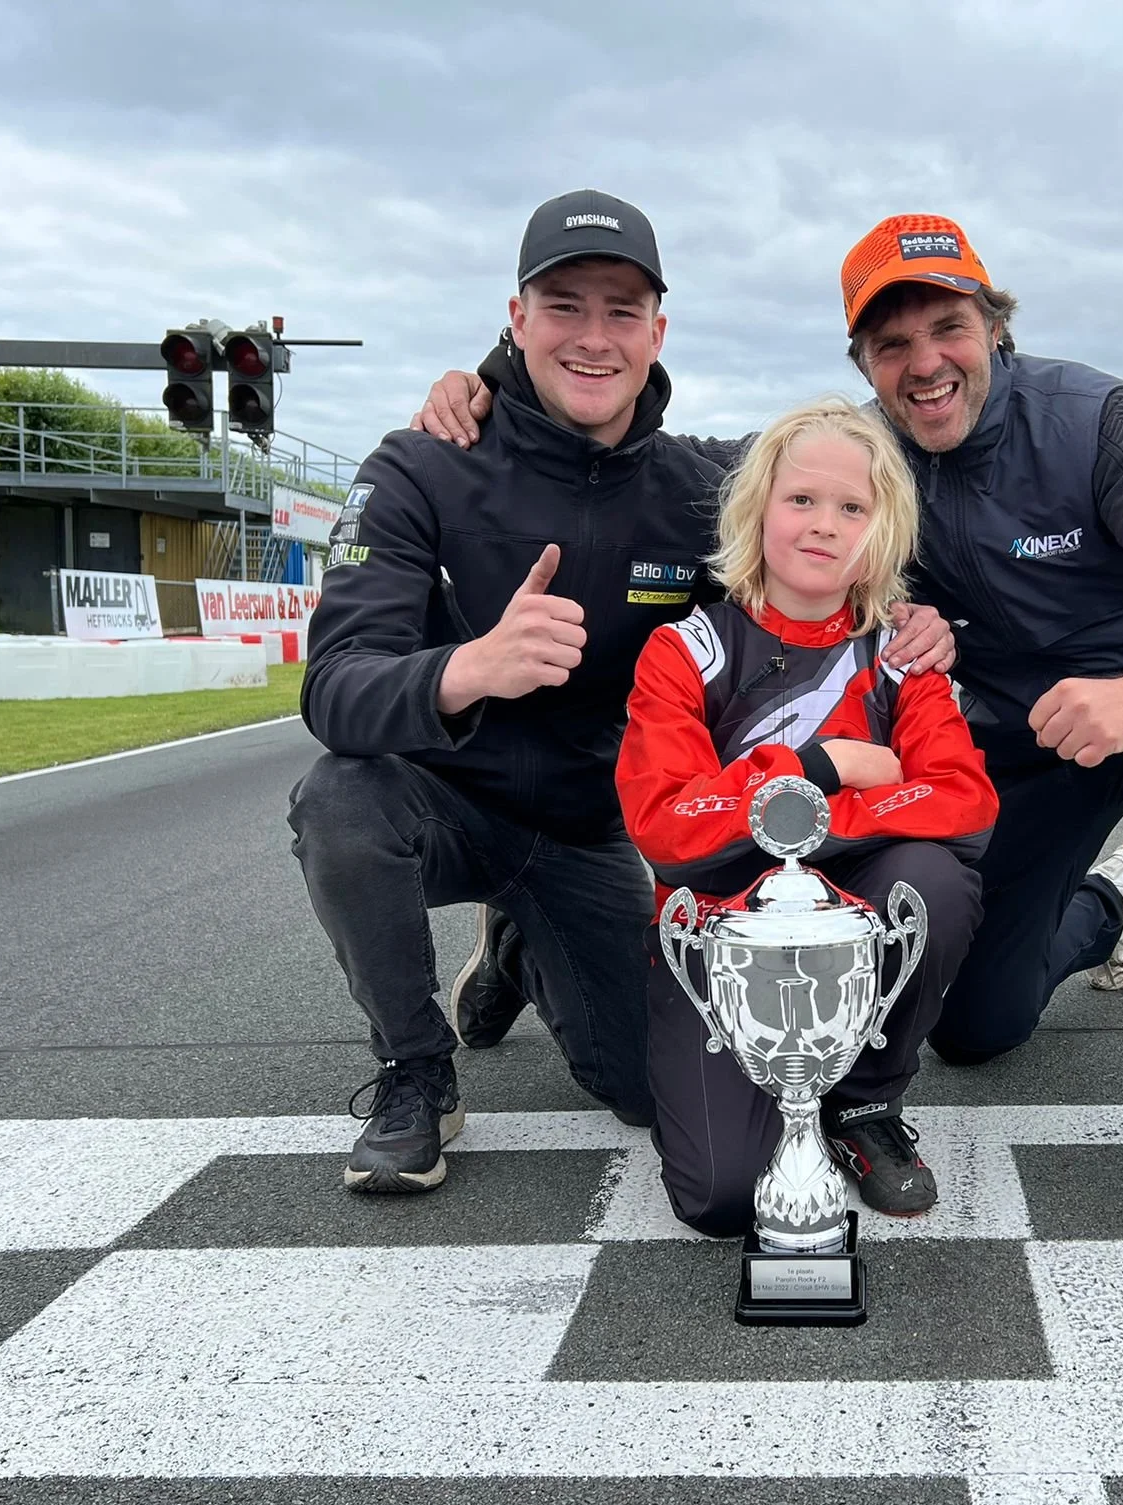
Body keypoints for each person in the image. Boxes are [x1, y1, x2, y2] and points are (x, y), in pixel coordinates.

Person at [415, 212, 1123, 1235]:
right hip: (997, 753)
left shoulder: (1091, 419)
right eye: (892, 343)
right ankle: (1104, 909)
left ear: (992, 327)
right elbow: (709, 466)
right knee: (978, 1025)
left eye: (948, 329)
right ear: (863, 362)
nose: (924, 364)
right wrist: (493, 378)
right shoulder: (858, 451)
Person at [288, 190, 950, 1195]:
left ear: (657, 331)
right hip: (439, 805)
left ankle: (516, 946)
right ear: (515, 319)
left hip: (582, 832)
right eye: (563, 306)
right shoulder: (422, 462)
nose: (592, 337)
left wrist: (915, 613)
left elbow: (849, 487)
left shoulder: (705, 485)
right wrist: (472, 668)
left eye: (620, 311)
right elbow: (333, 689)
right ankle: (414, 1073)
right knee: (337, 798)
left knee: (649, 1093)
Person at [616, 400, 995, 1234]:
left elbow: (963, 801)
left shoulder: (901, 654)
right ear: (756, 513)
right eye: (801, 501)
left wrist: (792, 822)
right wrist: (822, 771)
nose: (824, 526)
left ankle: (864, 1104)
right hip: (720, 935)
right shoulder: (685, 651)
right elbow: (668, 828)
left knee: (932, 877)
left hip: (852, 927)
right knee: (724, 1199)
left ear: (881, 532)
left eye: (852, 508)